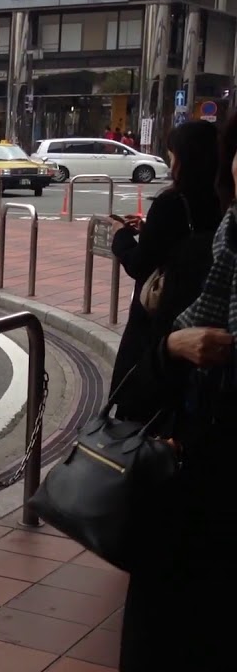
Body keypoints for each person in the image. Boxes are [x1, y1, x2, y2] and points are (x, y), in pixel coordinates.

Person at [117, 110, 237, 672]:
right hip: (186, 508)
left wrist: (124, 244)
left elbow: (141, 263)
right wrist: (172, 350)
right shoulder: (209, 256)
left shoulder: (175, 214)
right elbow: (145, 389)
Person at [109, 121, 224, 422]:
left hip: (165, 318)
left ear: (184, 158)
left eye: (173, 154)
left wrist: (121, 235)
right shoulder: (222, 201)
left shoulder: (171, 202)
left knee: (141, 410)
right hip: (208, 312)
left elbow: (138, 264)